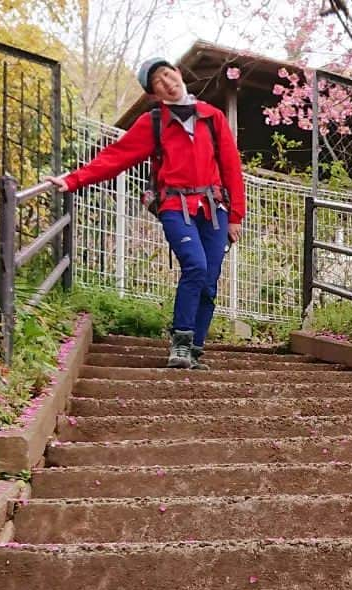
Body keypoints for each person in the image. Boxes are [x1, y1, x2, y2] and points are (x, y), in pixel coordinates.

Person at [47, 57, 245, 370]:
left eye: (169, 74)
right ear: (154, 94)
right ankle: (180, 344)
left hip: (214, 208)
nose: (167, 82)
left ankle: (195, 348)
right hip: (174, 206)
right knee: (195, 265)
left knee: (209, 279)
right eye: (158, 82)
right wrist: (72, 180)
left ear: (178, 74)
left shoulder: (212, 117)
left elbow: (232, 166)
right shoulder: (153, 122)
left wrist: (235, 216)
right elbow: (115, 158)